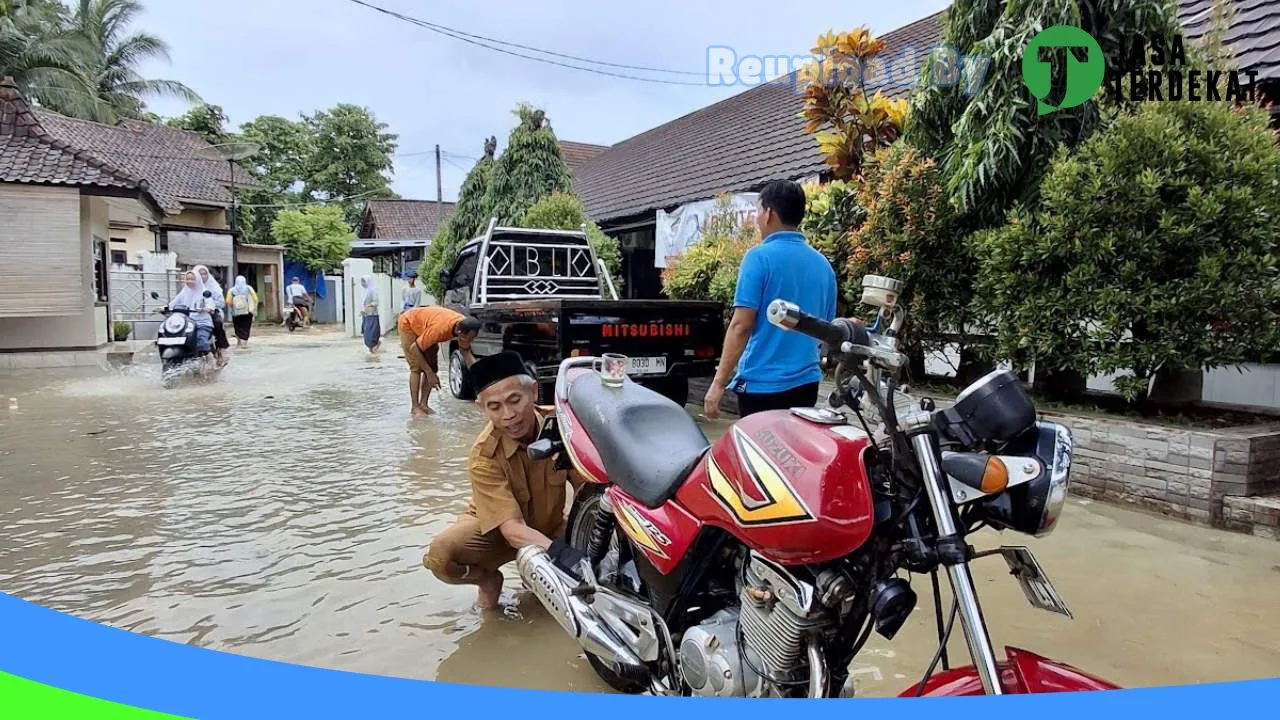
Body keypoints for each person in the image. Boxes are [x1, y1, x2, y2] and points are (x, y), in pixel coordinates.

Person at [424, 351, 588, 610]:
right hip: (499, 530)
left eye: (515, 400)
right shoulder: (483, 455)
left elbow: (587, 490)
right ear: (481, 407)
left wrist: (581, 541)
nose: (509, 414)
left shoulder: (564, 428)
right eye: (495, 406)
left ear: (533, 392)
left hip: (552, 527)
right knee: (441, 555)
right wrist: (563, 556)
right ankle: (488, 581)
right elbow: (512, 529)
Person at [704, 179, 837, 419]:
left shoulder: (758, 258)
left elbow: (741, 325)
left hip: (762, 387)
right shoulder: (823, 265)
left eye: (757, 210)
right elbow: (824, 327)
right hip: (806, 386)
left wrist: (718, 384)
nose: (756, 219)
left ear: (769, 213)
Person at [397, 306, 481, 417]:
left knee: (432, 366)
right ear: (459, 332)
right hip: (408, 323)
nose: (470, 342)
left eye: (472, 339)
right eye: (467, 338)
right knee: (416, 367)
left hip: (427, 326)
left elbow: (466, 354)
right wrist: (429, 373)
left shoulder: (465, 326)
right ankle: (415, 407)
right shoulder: (440, 329)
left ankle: (424, 405)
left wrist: (481, 381)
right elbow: (414, 348)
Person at [168, 271, 216, 363]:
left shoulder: (204, 292)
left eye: (192, 279)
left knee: (201, 341)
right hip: (187, 323)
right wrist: (164, 307)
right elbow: (173, 303)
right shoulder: (184, 292)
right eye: (188, 279)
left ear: (197, 280)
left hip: (202, 323)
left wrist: (207, 308)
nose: (189, 281)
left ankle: (210, 359)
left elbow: (210, 304)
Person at [194, 265, 230, 365]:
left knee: (217, 322)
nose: (203, 276)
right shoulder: (191, 286)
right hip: (194, 312)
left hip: (211, 311)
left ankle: (222, 348)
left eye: (205, 274)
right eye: (200, 274)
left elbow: (221, 302)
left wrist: (210, 306)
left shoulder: (214, 287)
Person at [226, 276, 259, 349]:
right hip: (247, 312)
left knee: (237, 326)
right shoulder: (249, 288)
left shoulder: (231, 290)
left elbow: (228, 301)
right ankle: (244, 342)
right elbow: (255, 299)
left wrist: (234, 306)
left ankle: (239, 342)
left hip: (235, 312)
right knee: (246, 326)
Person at [360, 275, 382, 354]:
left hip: (372, 314)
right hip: (366, 315)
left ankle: (374, 347)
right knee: (366, 333)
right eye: (362, 281)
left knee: (371, 332)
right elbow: (362, 303)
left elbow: (376, 302)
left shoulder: (373, 290)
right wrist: (362, 310)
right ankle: (372, 348)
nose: (362, 283)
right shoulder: (363, 291)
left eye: (364, 281)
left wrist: (369, 305)